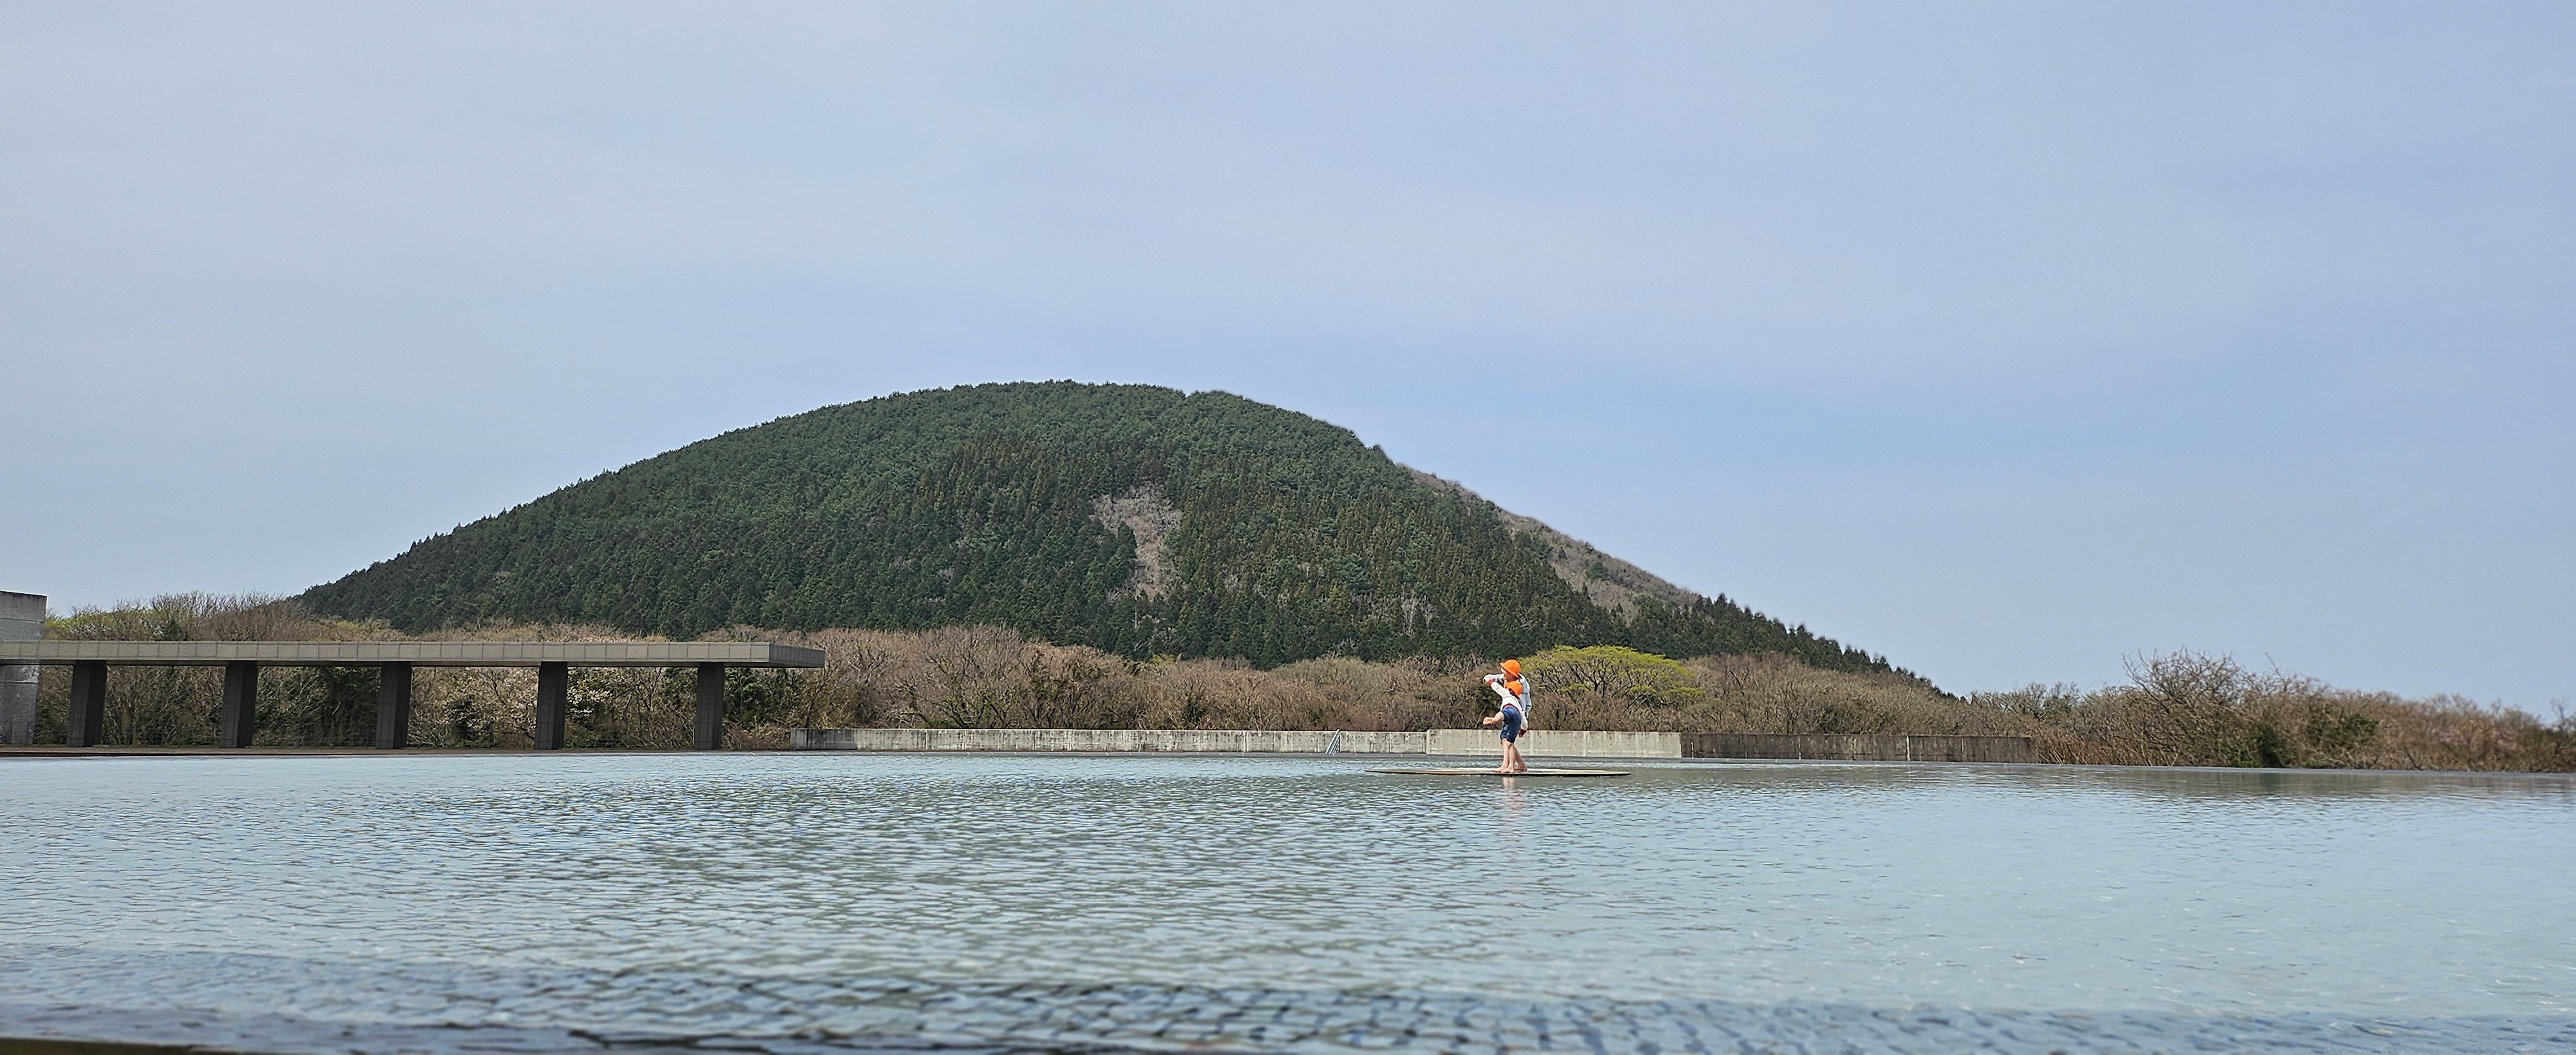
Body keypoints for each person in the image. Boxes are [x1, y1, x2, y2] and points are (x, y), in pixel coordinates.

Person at [1480, 659, 1530, 774]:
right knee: (1505, 740)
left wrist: (1490, 682)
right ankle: (1514, 765)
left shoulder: (1517, 688)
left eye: (1504, 672)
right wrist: (1523, 729)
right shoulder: (1507, 680)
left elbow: (1500, 690)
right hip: (1516, 714)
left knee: (1509, 742)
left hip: (1514, 713)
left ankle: (1509, 766)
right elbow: (1499, 679)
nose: (1502, 675)